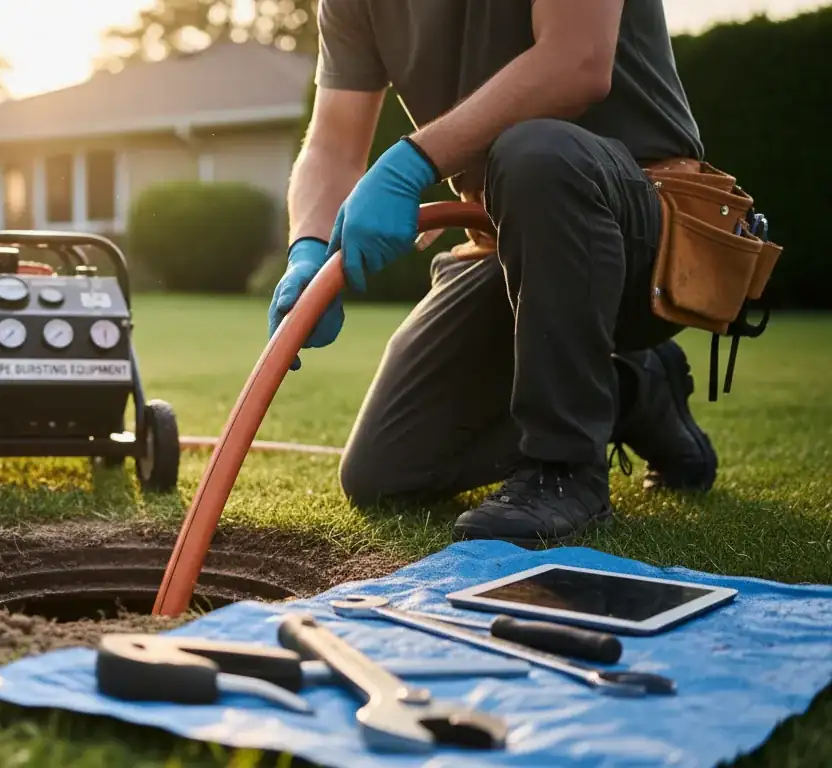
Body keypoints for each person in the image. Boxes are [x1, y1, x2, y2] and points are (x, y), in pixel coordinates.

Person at [269, 0, 717, 548]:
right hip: (502, 240)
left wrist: (412, 162)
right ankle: (637, 389)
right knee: (386, 474)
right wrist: (308, 251)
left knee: (538, 149)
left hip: (646, 226)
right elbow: (333, 143)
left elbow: (576, 62)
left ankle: (565, 467)